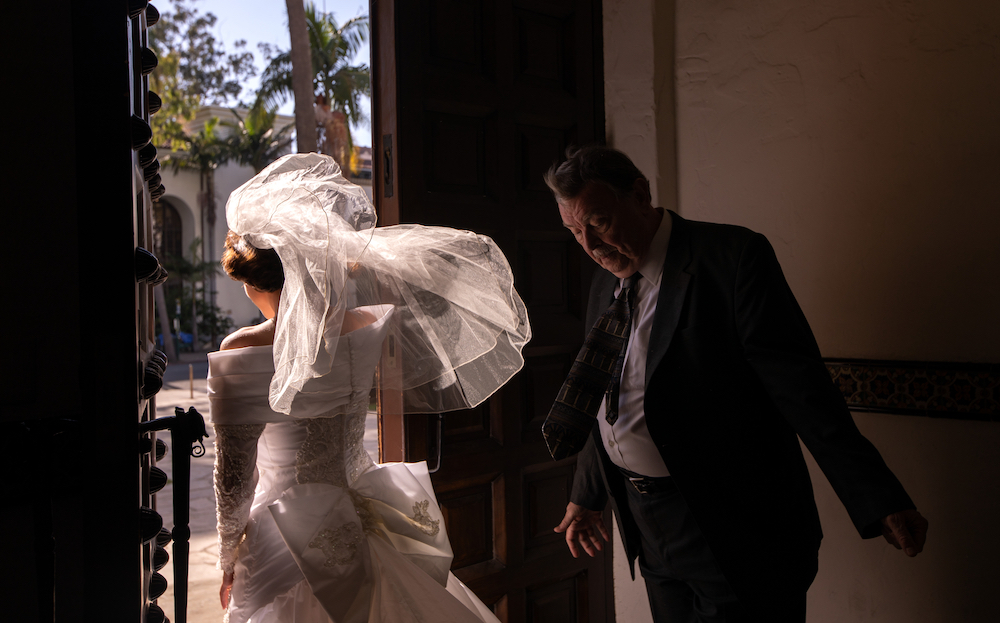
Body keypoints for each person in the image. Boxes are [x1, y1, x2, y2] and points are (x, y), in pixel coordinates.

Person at [542, 146, 928, 622]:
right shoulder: (606, 281)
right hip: (649, 530)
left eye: (598, 222)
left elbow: (803, 391)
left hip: (736, 530)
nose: (590, 246)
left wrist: (879, 498)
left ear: (639, 194)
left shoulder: (732, 259)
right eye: (574, 231)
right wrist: (587, 494)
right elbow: (605, 397)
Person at [208, 153, 530, 623]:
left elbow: (235, 477)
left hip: (283, 536)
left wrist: (226, 556)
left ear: (256, 282)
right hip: (364, 513)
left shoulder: (244, 346)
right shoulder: (363, 326)